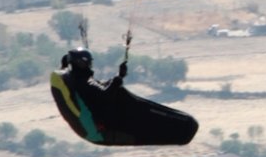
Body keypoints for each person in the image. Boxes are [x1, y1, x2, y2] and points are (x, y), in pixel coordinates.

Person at [50, 46, 198, 147]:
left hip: (94, 127)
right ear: (83, 63)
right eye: (88, 63)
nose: (90, 66)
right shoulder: (84, 83)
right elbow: (105, 95)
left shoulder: (76, 80)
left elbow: (99, 93)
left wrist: (116, 79)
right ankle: (184, 129)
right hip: (103, 131)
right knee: (121, 96)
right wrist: (119, 77)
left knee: (119, 95)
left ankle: (184, 129)